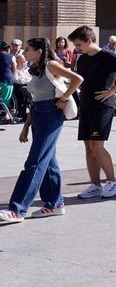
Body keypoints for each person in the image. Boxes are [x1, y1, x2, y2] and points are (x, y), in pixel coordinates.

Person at [1, 38, 83, 226]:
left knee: (35, 161)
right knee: (49, 161)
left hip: (50, 114)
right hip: (38, 114)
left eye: (28, 49)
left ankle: (17, 209)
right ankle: (55, 204)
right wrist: (26, 126)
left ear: (39, 51)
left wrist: (64, 98)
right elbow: (35, 99)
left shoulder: (52, 65)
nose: (25, 53)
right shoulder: (34, 69)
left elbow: (77, 79)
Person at [69, 26, 116, 199]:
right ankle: (95, 185)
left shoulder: (108, 56)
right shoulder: (82, 59)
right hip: (86, 105)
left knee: (96, 146)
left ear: (89, 40)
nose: (76, 48)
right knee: (88, 148)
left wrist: (112, 90)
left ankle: (112, 181)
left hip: (103, 106)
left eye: (78, 45)